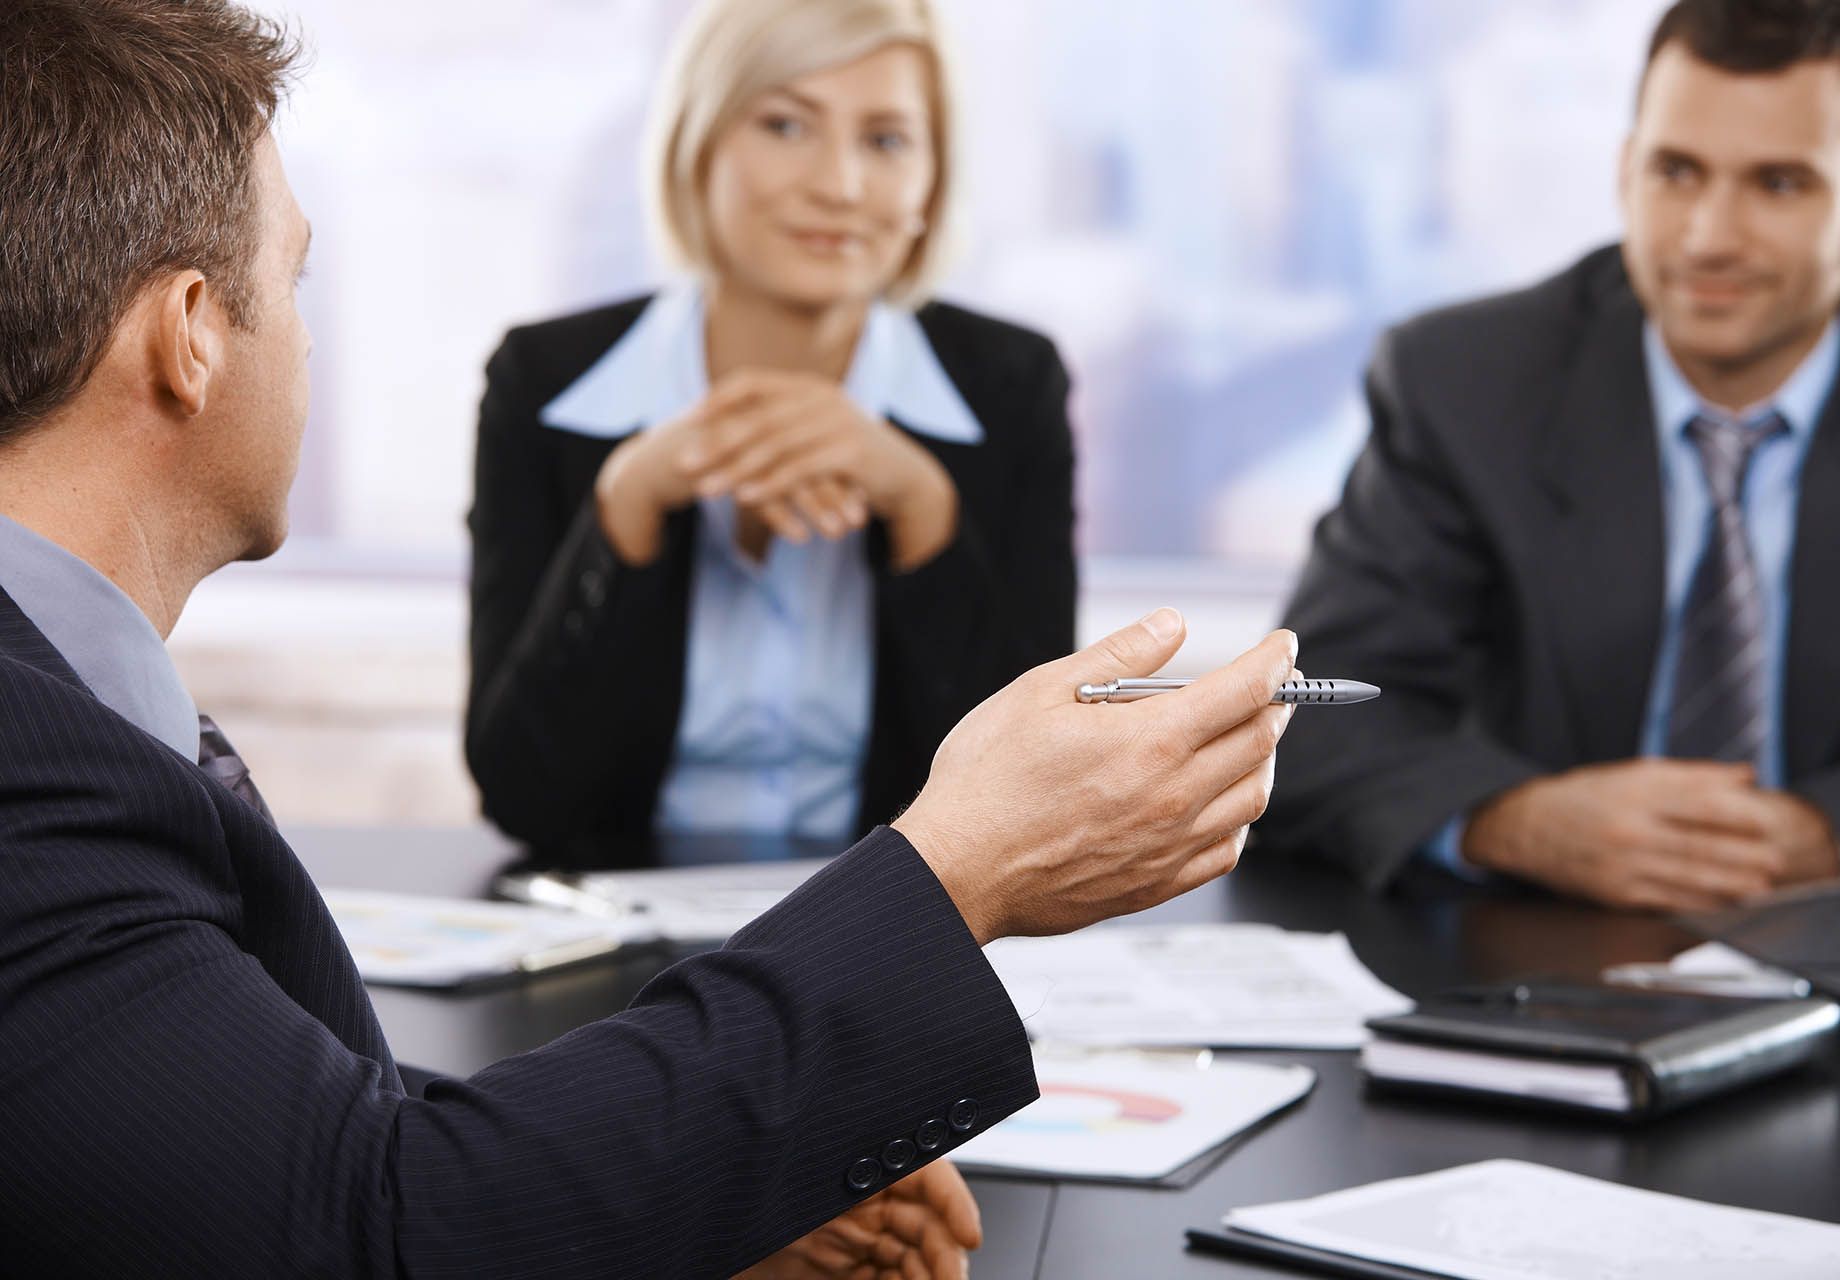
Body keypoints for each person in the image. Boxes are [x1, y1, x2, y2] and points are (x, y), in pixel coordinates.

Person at [0, 2, 1299, 1275]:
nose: (838, 181)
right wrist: (964, 870)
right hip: (633, 968)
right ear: (188, 338)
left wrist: (682, 1191)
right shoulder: (50, 773)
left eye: (887, 139)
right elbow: (376, 1219)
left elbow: (279, 1148)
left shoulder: (67, 724)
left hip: (760, 1017)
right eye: (294, 279)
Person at [1264, 0, 1840, 911]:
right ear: (1625, 171)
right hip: (1548, 960)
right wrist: (1515, 820)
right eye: (1676, 171)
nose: (1707, 237)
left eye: (1778, 184)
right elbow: (1314, 715)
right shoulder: (1465, 385)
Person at [465, 0, 1077, 869]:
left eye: (887, 140)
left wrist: (924, 509)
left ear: (932, 182)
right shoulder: (546, 383)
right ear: (699, 140)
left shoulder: (1010, 388)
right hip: (623, 941)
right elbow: (525, 792)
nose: (840, 185)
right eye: (786, 124)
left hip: (894, 935)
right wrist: (625, 511)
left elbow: (1031, 802)